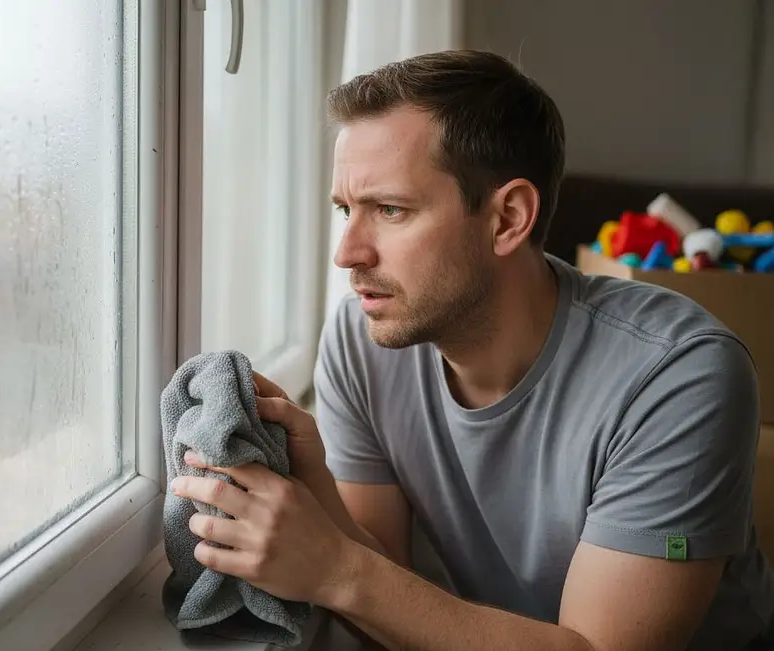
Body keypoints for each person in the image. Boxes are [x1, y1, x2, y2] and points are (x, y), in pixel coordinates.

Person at [170, 49, 774, 650]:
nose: (347, 253)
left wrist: (335, 569)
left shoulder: (679, 376)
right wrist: (315, 487)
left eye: (390, 209)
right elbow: (387, 592)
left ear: (508, 217)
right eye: (346, 210)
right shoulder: (364, 341)